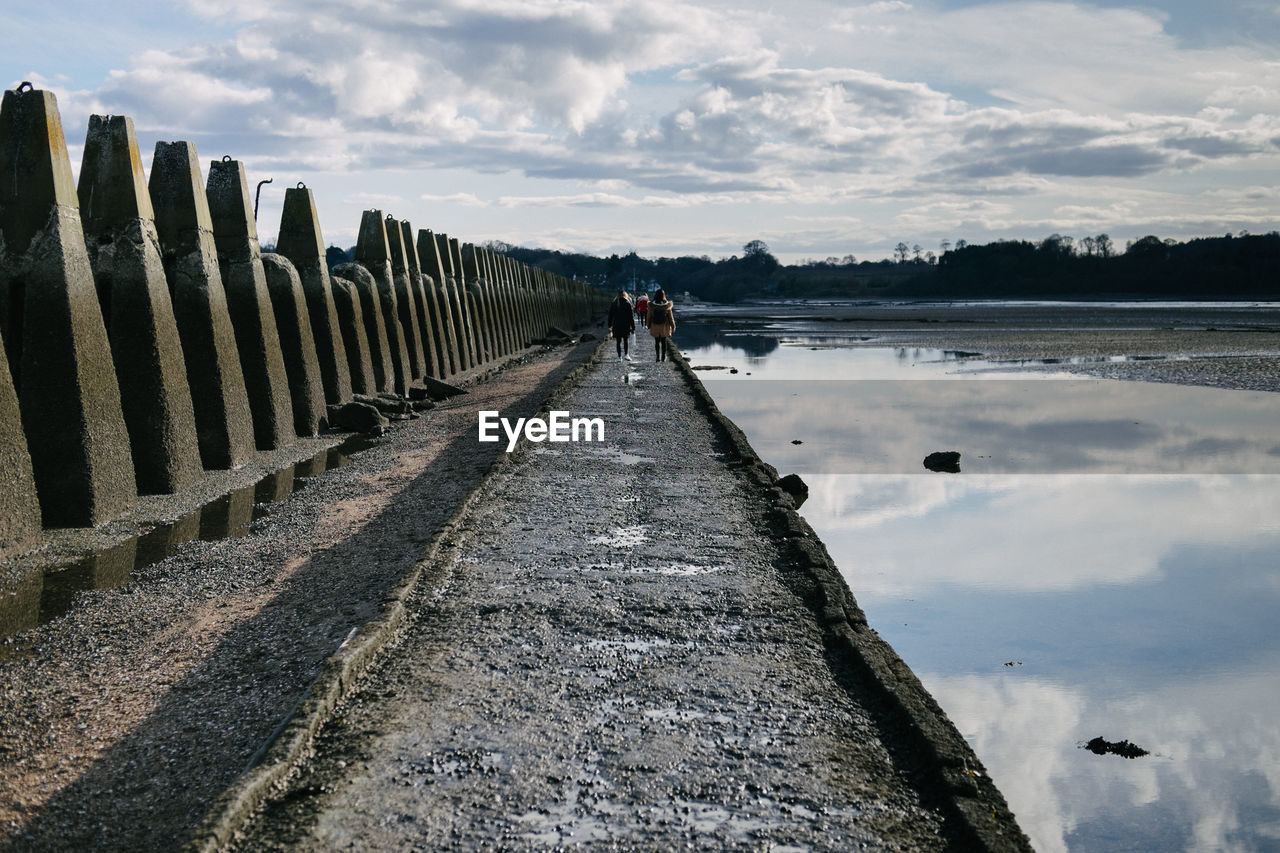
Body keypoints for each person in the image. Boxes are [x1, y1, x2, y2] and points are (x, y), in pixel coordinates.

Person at [647, 288, 675, 361]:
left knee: (657, 342)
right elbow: (670, 317)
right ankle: (663, 357)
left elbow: (649, 316)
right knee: (663, 342)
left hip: (655, 325)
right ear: (663, 295)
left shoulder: (651, 305)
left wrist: (648, 325)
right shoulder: (667, 305)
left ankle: (657, 357)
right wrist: (673, 326)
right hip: (664, 326)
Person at [607, 290, 635, 361]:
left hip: (616, 325)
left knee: (618, 341)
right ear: (625, 295)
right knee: (626, 340)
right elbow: (631, 317)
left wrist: (609, 325)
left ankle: (619, 357)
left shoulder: (614, 303)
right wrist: (633, 326)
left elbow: (610, 315)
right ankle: (626, 355)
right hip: (626, 325)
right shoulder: (627, 303)